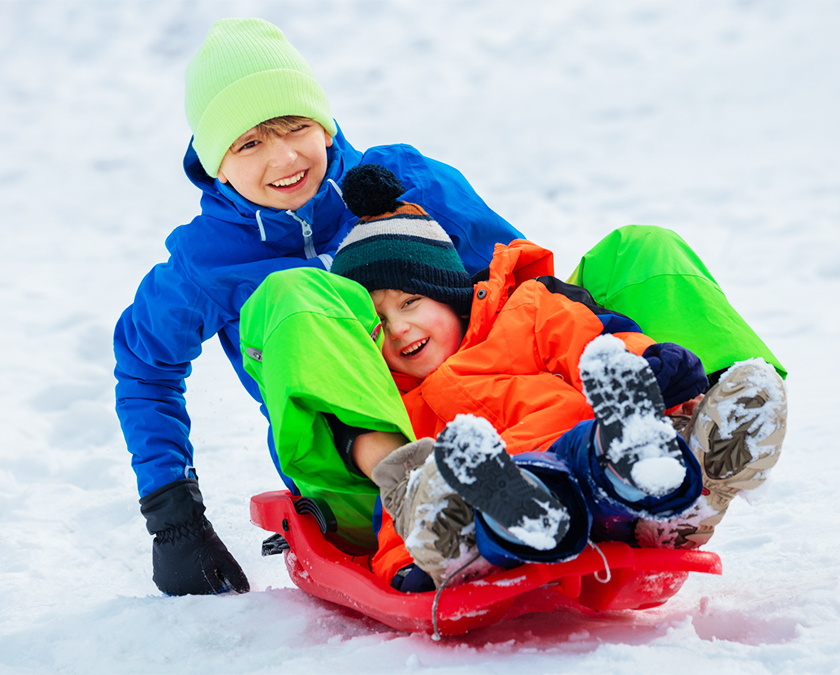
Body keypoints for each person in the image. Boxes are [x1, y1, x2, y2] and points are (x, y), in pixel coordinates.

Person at [113, 18, 523, 596]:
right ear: (216, 165)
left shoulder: (401, 182)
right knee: (295, 291)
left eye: (295, 127)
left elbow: (514, 278)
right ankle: (420, 493)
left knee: (635, 252)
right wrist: (173, 517)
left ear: (325, 126)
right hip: (357, 484)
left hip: (500, 421)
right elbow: (143, 367)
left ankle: (680, 425)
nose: (283, 158)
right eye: (249, 142)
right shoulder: (206, 263)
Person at [325, 164, 751, 590]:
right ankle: (465, 546)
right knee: (452, 483)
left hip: (584, 456)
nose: (398, 329)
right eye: (378, 323)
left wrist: (645, 368)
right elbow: (398, 498)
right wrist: (403, 565)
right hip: (500, 495)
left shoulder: (522, 312)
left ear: (449, 294)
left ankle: (671, 487)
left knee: (603, 446)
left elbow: (588, 346)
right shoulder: (395, 404)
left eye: (411, 302)